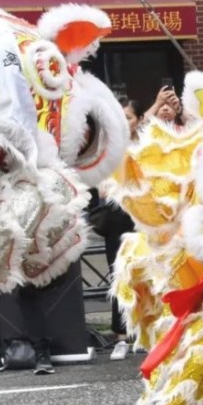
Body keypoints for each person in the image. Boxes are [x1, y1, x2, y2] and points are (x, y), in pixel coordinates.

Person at [89, 96, 142, 360]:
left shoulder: (147, 146)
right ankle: (121, 334)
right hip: (117, 218)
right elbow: (101, 187)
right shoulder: (108, 149)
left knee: (144, 273)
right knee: (118, 273)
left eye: (129, 117)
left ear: (139, 120)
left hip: (144, 218)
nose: (125, 123)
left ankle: (145, 332)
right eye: (120, 118)